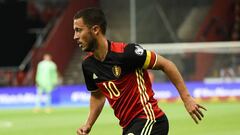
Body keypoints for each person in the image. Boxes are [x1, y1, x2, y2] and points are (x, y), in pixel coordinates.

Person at [73, 8, 207, 135]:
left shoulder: (127, 53)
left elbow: (166, 65)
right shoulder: (88, 65)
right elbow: (98, 96)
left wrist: (187, 98)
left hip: (150, 119)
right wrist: (88, 124)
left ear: (95, 29)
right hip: (129, 127)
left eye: (79, 30)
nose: (75, 36)